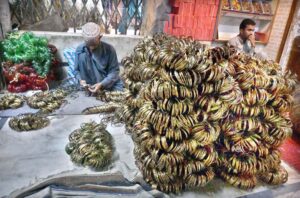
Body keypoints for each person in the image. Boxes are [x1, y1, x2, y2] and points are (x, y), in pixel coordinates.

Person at [74, 22, 123, 92]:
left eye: (94, 45)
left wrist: (102, 84)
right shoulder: (80, 50)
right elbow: (76, 71)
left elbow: (114, 72)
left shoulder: (109, 50)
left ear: (100, 37)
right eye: (89, 45)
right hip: (87, 87)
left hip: (106, 85)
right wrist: (80, 80)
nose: (91, 48)